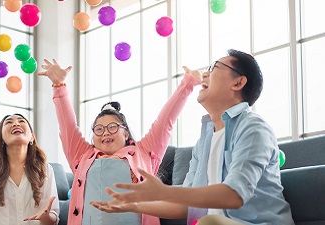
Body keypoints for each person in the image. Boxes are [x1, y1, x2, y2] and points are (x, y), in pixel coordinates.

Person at [91, 49, 295, 225]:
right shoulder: (205, 139)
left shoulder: (253, 128)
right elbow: (187, 205)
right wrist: (133, 206)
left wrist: (164, 192)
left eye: (215, 67)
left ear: (238, 82)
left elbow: (234, 195)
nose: (205, 74)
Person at [37, 59, 201, 225]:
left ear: (126, 132)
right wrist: (59, 86)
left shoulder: (143, 152)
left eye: (112, 127)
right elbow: (67, 126)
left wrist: (187, 84)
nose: (105, 132)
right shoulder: (82, 155)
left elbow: (166, 120)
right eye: (99, 129)